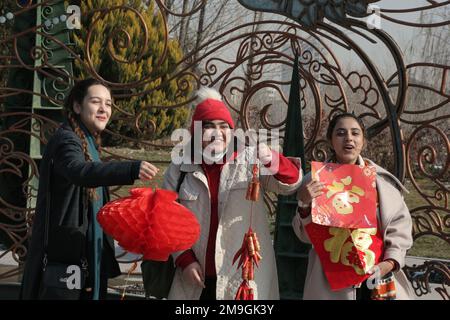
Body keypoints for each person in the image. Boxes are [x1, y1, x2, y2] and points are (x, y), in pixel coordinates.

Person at [20, 78, 159, 300]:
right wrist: (131, 169)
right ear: (77, 106)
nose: (104, 109)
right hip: (64, 268)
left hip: (79, 263)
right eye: (96, 102)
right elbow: (79, 171)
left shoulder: (86, 141)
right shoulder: (67, 140)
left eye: (109, 104)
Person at [162, 87, 302, 300]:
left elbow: (291, 183)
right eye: (208, 126)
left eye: (223, 126)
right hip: (194, 278)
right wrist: (184, 259)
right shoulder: (180, 167)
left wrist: (273, 159)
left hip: (241, 277)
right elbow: (166, 218)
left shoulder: (249, 159)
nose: (217, 133)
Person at [292, 112, 414, 300]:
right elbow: (306, 237)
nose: (348, 138)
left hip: (376, 277)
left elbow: (400, 228)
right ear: (331, 141)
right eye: (341, 133)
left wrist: (389, 263)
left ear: (363, 141)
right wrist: (304, 204)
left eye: (355, 133)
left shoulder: (383, 182)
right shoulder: (314, 181)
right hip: (330, 281)